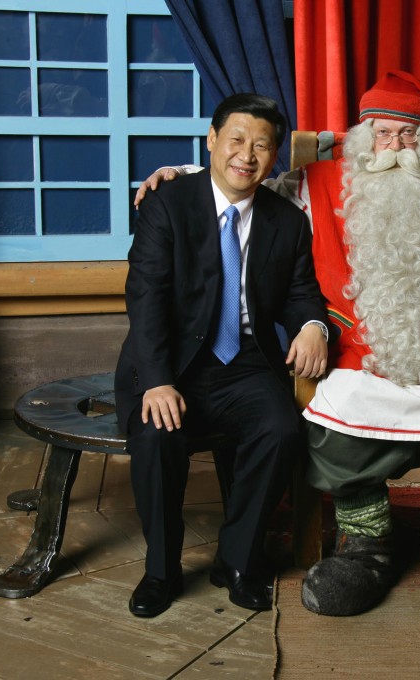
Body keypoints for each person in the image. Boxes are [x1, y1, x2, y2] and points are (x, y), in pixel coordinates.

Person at [136, 71, 420, 616]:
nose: (396, 148)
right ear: (363, 138)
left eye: (409, 135)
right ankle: (364, 544)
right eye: (383, 134)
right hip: (356, 359)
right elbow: (243, 188)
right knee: (337, 429)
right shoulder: (316, 183)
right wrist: (184, 175)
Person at [115, 93, 328, 618]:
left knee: (281, 429)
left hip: (247, 361)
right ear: (211, 141)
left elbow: (302, 294)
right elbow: (145, 299)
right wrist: (158, 380)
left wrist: (314, 326)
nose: (246, 156)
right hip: (173, 362)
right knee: (157, 435)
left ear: (275, 155)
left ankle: (238, 561)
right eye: (236, 140)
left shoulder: (287, 221)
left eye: (261, 146)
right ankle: (161, 570)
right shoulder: (168, 203)